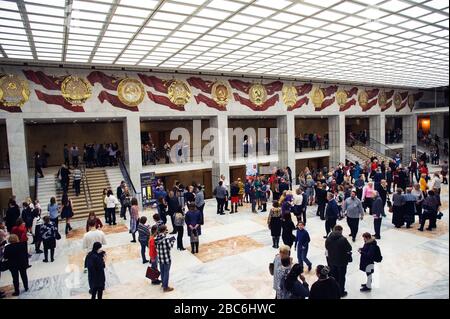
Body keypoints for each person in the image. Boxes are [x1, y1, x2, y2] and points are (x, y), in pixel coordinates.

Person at [325, 225, 352, 298]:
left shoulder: (328, 239)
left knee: (334, 276)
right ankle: (341, 292)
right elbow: (349, 248)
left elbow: (326, 247)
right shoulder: (343, 239)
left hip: (332, 261)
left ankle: (334, 290)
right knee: (341, 277)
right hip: (341, 261)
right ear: (340, 231)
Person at [155, 225, 176, 292]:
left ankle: (163, 284)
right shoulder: (166, 240)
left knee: (162, 272)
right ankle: (165, 287)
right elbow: (169, 247)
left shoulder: (156, 239)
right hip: (166, 258)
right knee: (166, 272)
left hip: (160, 258)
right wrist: (172, 241)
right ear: (164, 230)